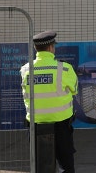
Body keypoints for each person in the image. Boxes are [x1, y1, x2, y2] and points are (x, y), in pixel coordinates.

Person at [20, 30, 78, 173]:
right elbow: (74, 90)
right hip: (61, 126)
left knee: (40, 166)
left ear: (36, 48)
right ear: (51, 47)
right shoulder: (64, 69)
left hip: (35, 126)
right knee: (66, 166)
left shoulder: (25, 69)